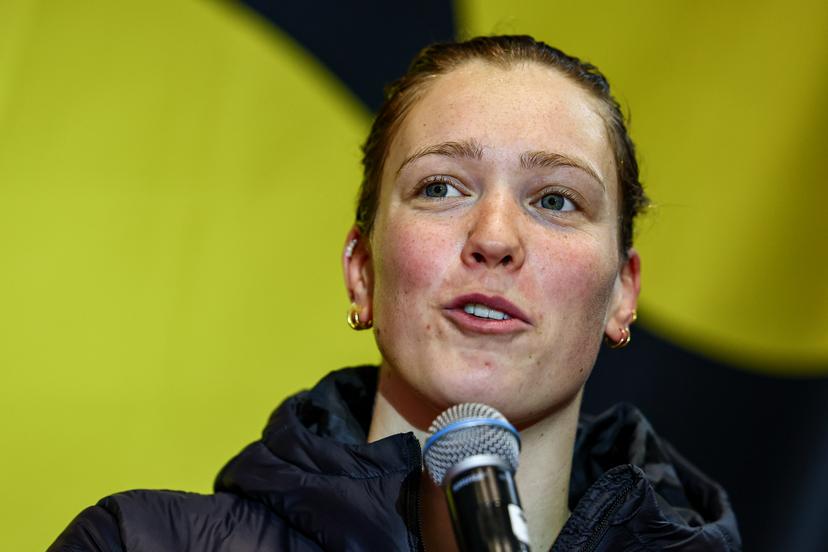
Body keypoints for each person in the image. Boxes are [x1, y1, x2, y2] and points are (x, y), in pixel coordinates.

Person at [50, 35, 741, 551]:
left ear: (622, 293)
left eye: (556, 200)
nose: (494, 236)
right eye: (440, 187)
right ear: (363, 272)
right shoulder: (136, 543)